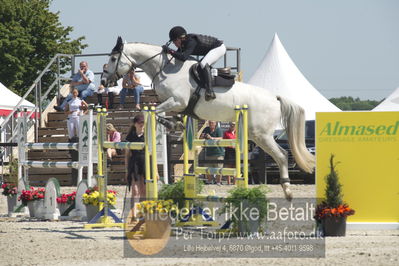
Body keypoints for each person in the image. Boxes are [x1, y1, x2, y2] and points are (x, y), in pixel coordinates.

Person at [162, 26, 226, 101]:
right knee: (198, 67)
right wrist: (168, 52)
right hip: (211, 50)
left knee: (203, 64)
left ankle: (210, 91)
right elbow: (177, 57)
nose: (174, 43)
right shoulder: (183, 44)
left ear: (180, 39)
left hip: (219, 48)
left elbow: (183, 57)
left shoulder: (191, 41)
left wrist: (170, 51)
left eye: (174, 41)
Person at [125, 114, 146, 201]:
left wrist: (155, 171)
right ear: (135, 124)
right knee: (135, 191)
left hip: (145, 163)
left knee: (144, 190)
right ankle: (135, 212)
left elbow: (152, 154)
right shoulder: (130, 136)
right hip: (134, 163)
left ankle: (144, 211)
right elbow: (127, 155)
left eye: (143, 122)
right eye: (139, 122)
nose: (141, 124)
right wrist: (126, 170)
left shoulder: (147, 136)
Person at [200, 120, 225, 185]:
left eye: (212, 123)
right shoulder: (206, 129)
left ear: (215, 123)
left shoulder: (218, 129)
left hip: (218, 152)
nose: (211, 124)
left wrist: (211, 138)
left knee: (218, 168)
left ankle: (218, 182)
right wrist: (202, 136)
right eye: (210, 123)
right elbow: (200, 138)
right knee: (208, 167)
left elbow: (221, 138)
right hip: (209, 152)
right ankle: (209, 181)